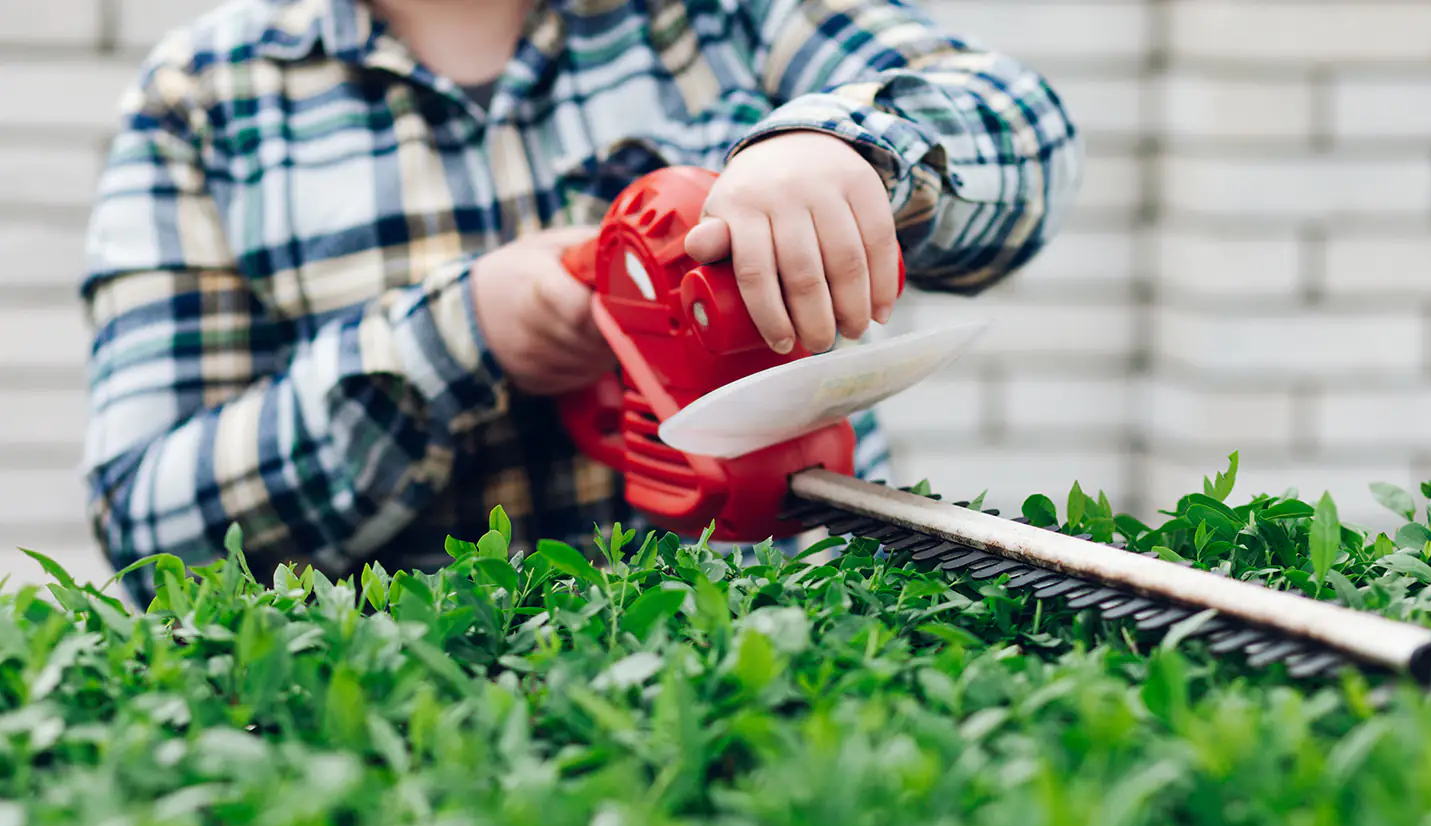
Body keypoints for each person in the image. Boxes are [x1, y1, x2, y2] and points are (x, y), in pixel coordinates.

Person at [80, 0, 1082, 608]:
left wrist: (843, 149)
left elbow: (1027, 131)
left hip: (793, 680)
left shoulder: (725, 16)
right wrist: (460, 335)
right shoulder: (206, 97)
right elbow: (151, 530)